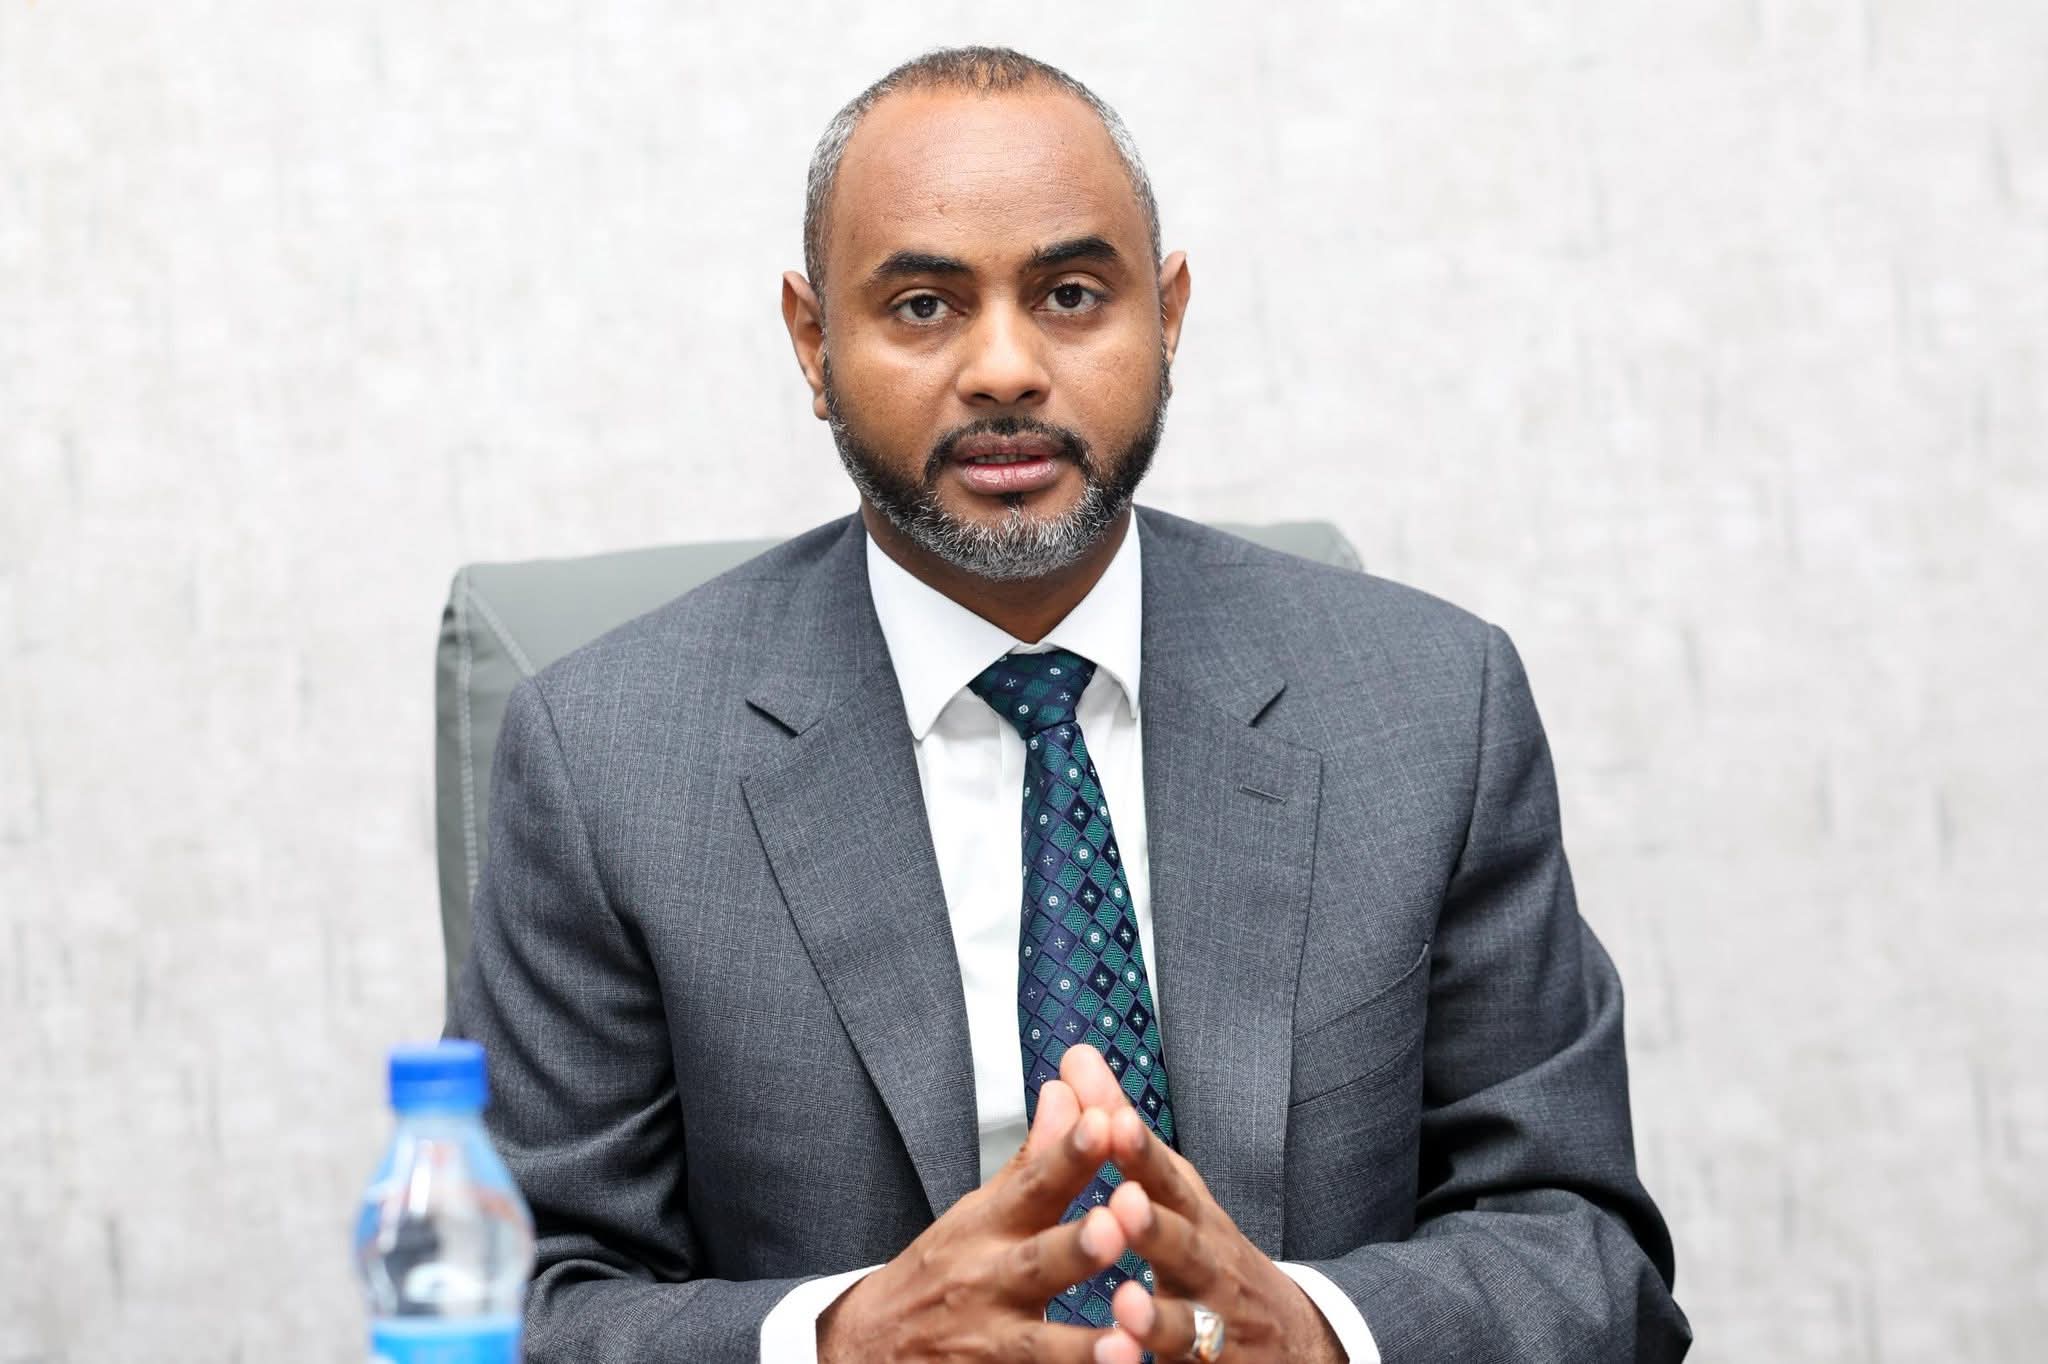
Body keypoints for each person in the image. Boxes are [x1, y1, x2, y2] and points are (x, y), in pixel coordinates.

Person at [448, 45, 1691, 1364]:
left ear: (1170, 315)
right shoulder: (607, 764)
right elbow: (509, 1300)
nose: (1004, 369)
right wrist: (840, 1343)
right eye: (922, 306)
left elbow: (1587, 1256)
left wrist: (1321, 1333)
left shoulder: (1432, 710)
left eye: (1072, 295)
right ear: (814, 343)